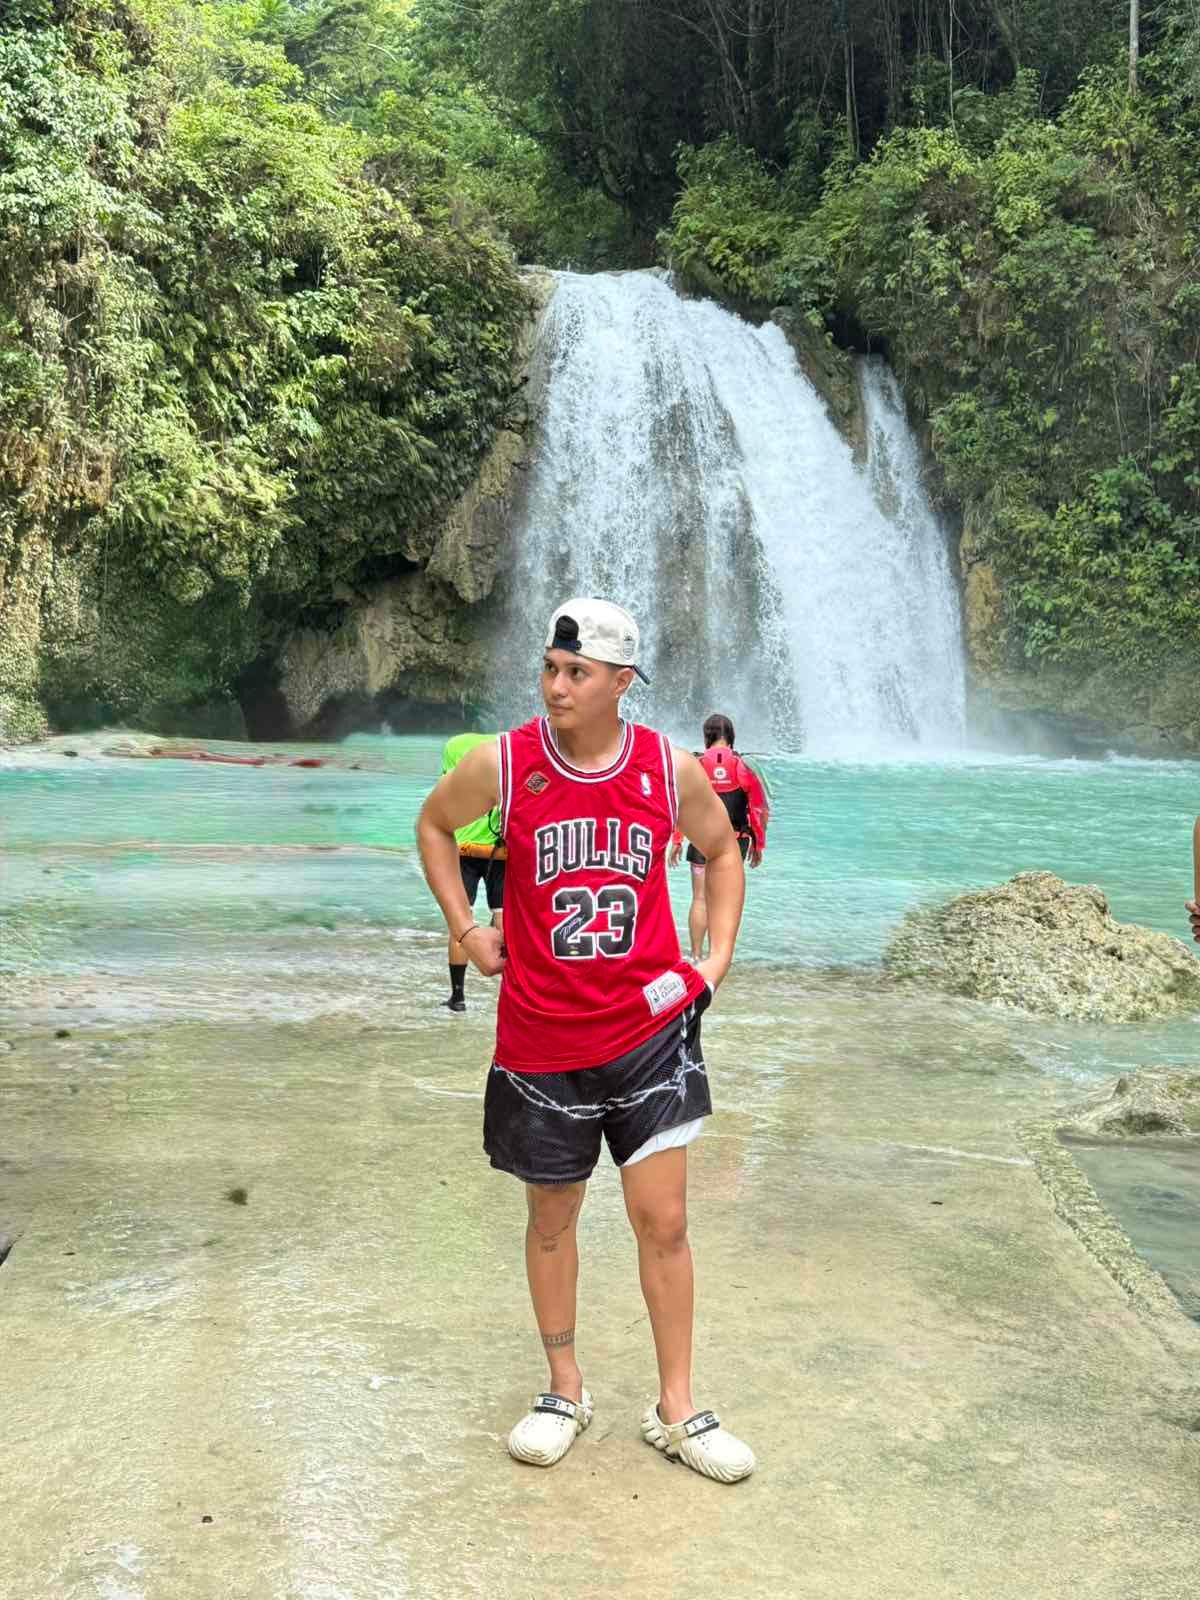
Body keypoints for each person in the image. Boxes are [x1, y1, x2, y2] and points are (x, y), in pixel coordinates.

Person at [417, 599, 756, 1484]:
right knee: (551, 1219)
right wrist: (467, 928)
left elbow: (723, 852)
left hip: (649, 1035)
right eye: (550, 668)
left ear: (621, 683)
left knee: (665, 1221)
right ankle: (564, 1389)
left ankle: (677, 1408)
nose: (555, 686)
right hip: (542, 1041)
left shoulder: (666, 769)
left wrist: (715, 959)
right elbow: (434, 826)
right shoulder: (507, 761)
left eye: (577, 673)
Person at [669, 714, 768, 961]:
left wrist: (677, 840)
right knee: (723, 902)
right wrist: (759, 844)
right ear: (731, 736)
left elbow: (680, 804)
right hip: (734, 843)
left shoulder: (697, 765)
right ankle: (718, 958)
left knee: (700, 899)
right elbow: (759, 809)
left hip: (701, 842)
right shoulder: (743, 766)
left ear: (707, 736)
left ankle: (695, 956)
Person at [440, 732, 505, 1013]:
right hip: (499, 854)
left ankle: (458, 997)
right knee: (504, 920)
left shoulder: (454, 750)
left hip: (462, 851)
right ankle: (511, 991)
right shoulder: (504, 763)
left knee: (461, 923)